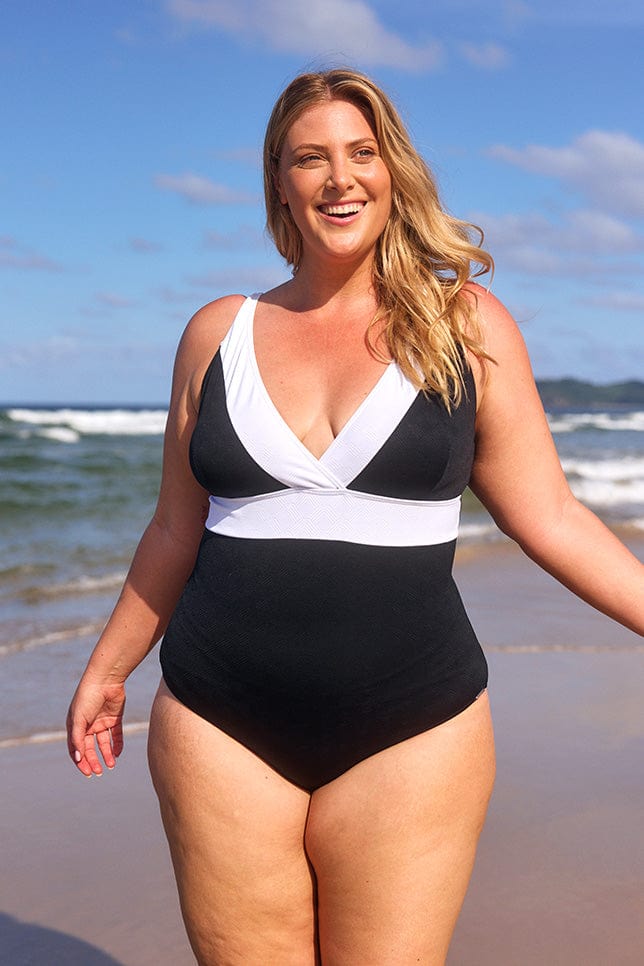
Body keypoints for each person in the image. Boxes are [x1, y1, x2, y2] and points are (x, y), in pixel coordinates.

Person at [67, 68, 644, 964]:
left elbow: (553, 517)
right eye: (311, 158)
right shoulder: (217, 333)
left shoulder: (467, 326)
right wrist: (110, 666)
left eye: (360, 153)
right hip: (219, 725)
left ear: (392, 169)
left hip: (415, 730)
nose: (339, 178)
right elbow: (174, 529)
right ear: (280, 180)